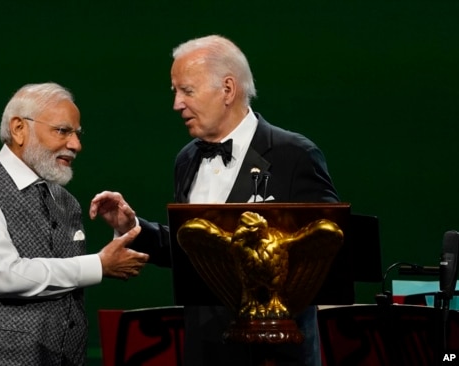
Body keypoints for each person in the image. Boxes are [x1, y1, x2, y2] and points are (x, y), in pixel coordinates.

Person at [90, 35, 338, 366]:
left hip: (276, 353)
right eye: (175, 92)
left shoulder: (294, 155)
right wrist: (132, 226)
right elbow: (195, 251)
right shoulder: (186, 159)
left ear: (228, 90)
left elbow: (329, 257)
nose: (177, 104)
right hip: (205, 348)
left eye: (187, 91)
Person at [0, 82, 149, 366]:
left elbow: (66, 282)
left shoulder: (67, 202)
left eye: (77, 134)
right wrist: (100, 265)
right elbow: (4, 275)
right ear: (19, 128)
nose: (76, 145)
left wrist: (123, 231)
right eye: (62, 131)